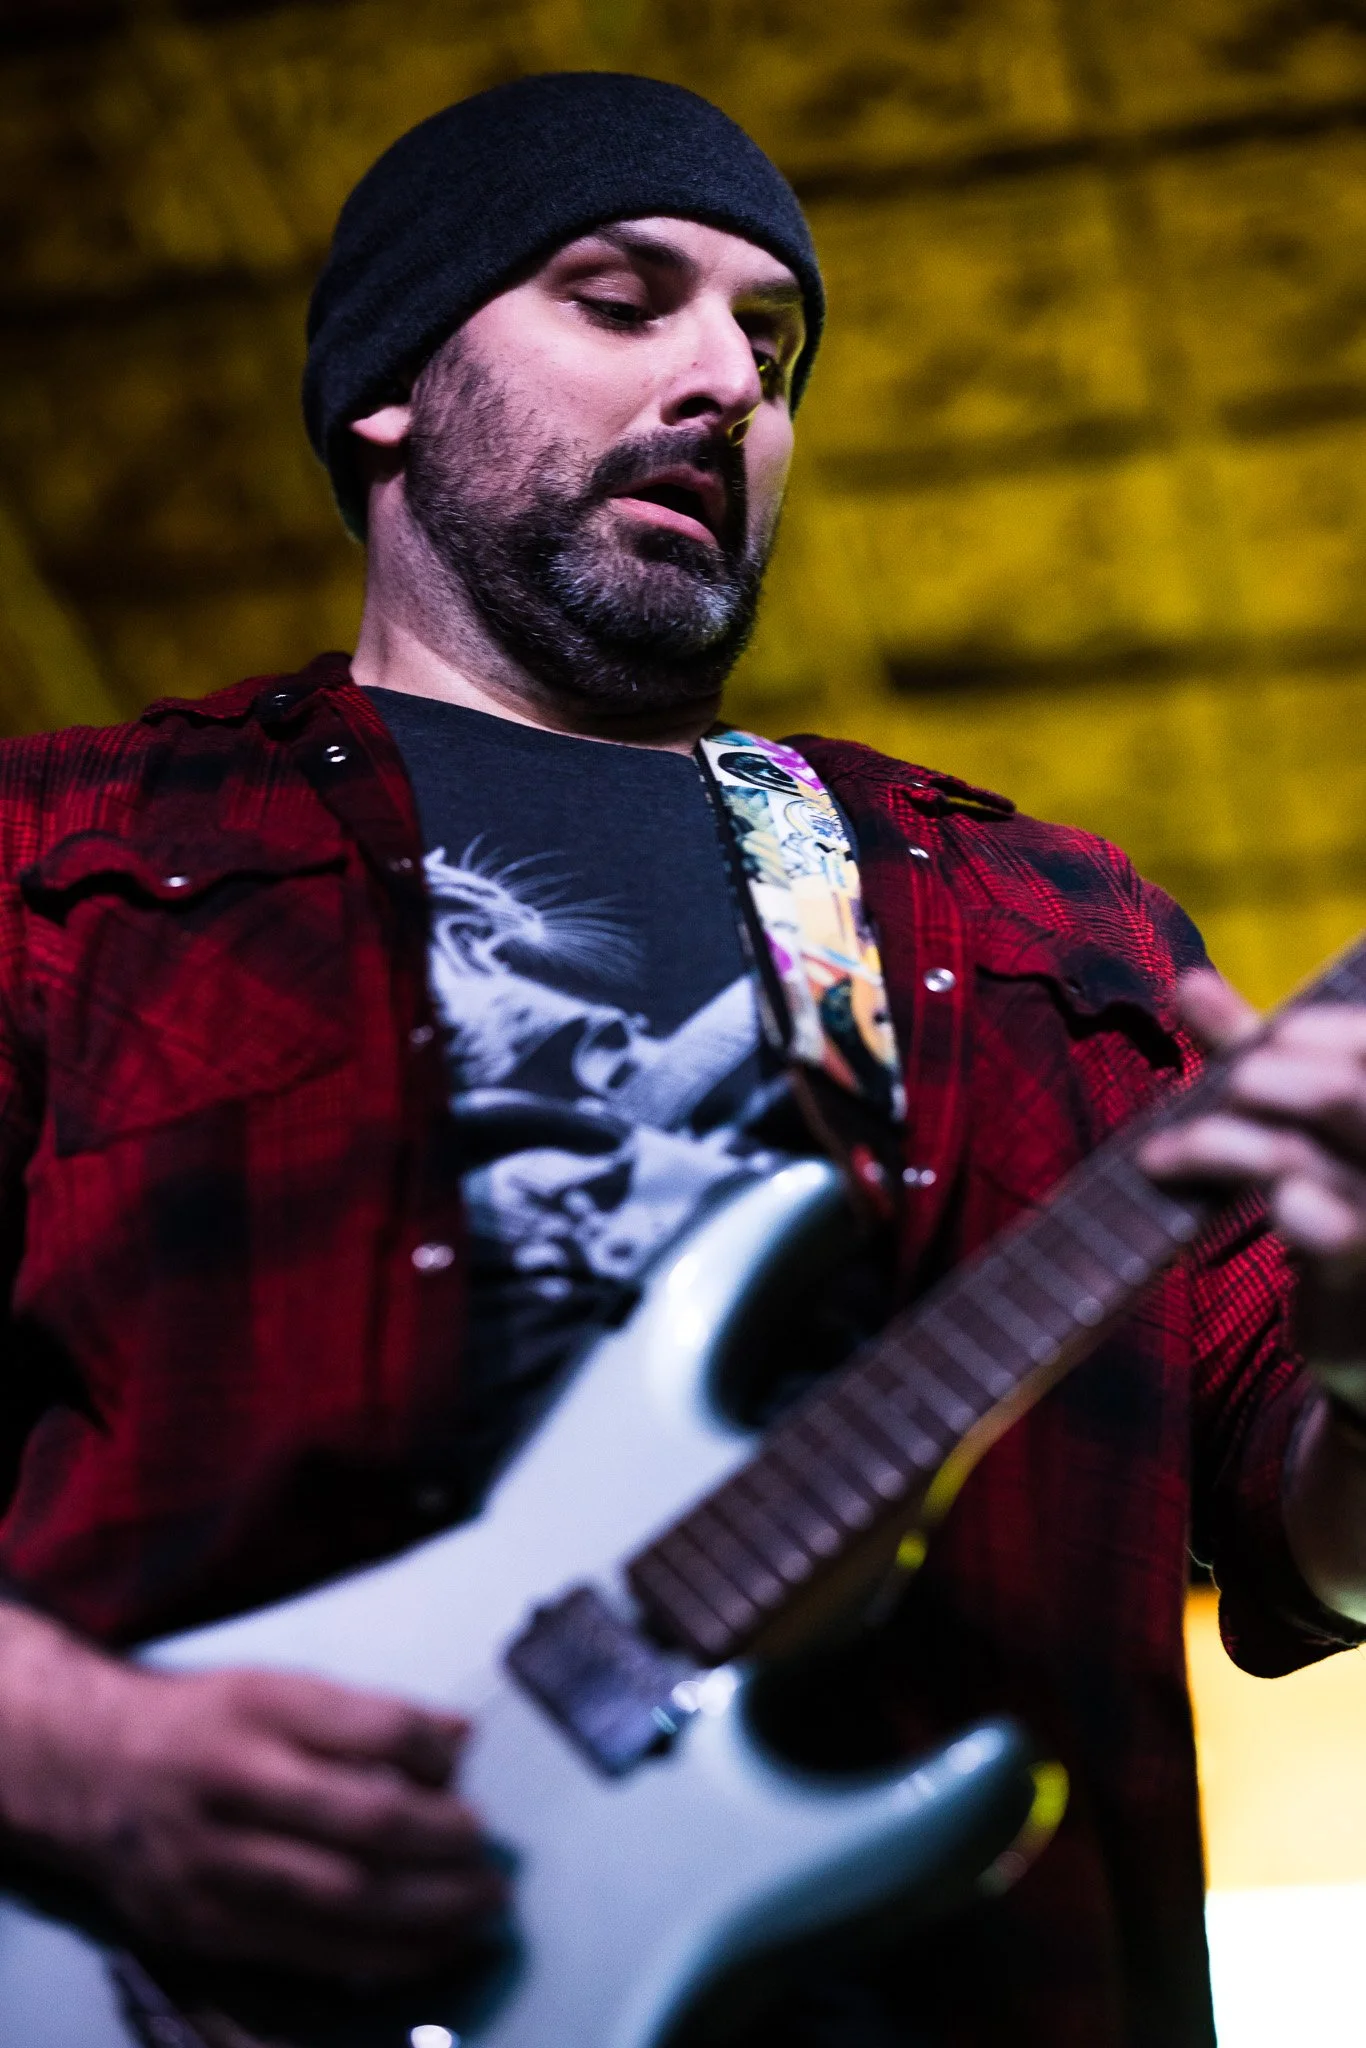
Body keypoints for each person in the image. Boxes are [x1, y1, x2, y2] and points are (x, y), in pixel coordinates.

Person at [1, 69, 1365, 2047]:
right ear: (387, 384)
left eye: (769, 337)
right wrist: (87, 1761)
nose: (727, 379)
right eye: (623, 295)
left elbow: (1304, 1529)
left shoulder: (1048, 927)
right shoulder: (63, 859)